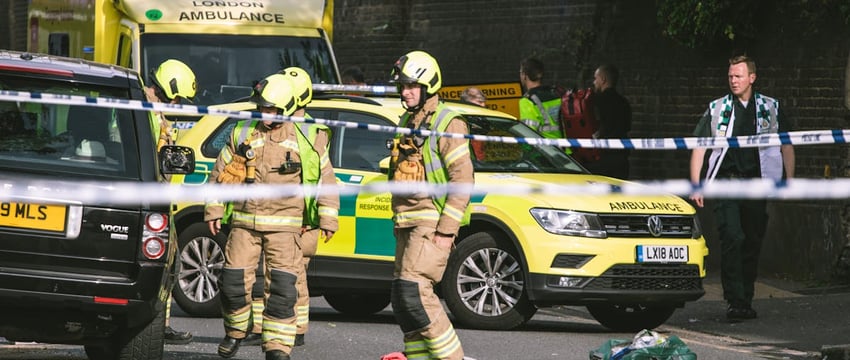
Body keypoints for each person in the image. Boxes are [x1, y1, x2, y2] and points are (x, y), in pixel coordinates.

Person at [205, 73, 339, 360]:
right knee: (231, 283)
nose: (265, 114)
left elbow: (325, 180)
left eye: (272, 110)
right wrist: (214, 208)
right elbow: (220, 175)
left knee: (281, 289)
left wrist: (328, 218)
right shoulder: (242, 132)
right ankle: (236, 332)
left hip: (285, 229)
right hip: (244, 223)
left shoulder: (306, 137)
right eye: (262, 108)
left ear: (287, 108)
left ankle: (277, 348)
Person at [689, 54, 795, 321]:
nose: (733, 81)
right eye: (730, 76)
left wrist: (788, 181)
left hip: (757, 184)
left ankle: (745, 298)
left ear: (752, 78)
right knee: (732, 237)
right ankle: (735, 300)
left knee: (752, 239)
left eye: (738, 76)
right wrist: (696, 185)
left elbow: (787, 145)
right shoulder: (718, 108)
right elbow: (700, 148)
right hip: (727, 182)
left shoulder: (769, 107)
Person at [382, 50, 473, 360]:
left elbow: (462, 180)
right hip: (406, 221)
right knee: (402, 298)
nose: (404, 92)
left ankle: (452, 358)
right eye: (402, 86)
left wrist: (447, 232)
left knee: (415, 292)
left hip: (432, 222)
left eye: (411, 86)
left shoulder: (449, 122)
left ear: (428, 85)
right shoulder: (408, 120)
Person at [243, 66, 325, 348]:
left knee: (291, 274)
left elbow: (318, 176)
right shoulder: (286, 124)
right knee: (269, 273)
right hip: (276, 212)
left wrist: (312, 215)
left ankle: (294, 327)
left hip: (299, 214)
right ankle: (265, 326)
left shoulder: (311, 131)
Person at [145, 58, 197, 345]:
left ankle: (160, 325)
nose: (177, 103)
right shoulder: (145, 113)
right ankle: (153, 324)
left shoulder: (156, 113)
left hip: (160, 201)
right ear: (167, 88)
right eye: (177, 97)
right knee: (159, 264)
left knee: (168, 264)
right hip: (149, 202)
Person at [586, 64, 632, 179]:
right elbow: (627, 126)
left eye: (595, 78)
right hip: (621, 156)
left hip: (602, 156)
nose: (594, 82)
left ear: (603, 80)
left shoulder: (597, 102)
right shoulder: (624, 102)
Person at [518, 57, 569, 153]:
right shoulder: (557, 93)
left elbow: (529, 134)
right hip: (567, 151)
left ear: (525, 75)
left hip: (548, 155)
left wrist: (525, 153)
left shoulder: (527, 101)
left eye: (520, 73)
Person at [145, 59, 197, 152]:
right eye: (178, 97)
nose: (178, 102)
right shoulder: (141, 106)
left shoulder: (155, 109)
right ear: (171, 88)